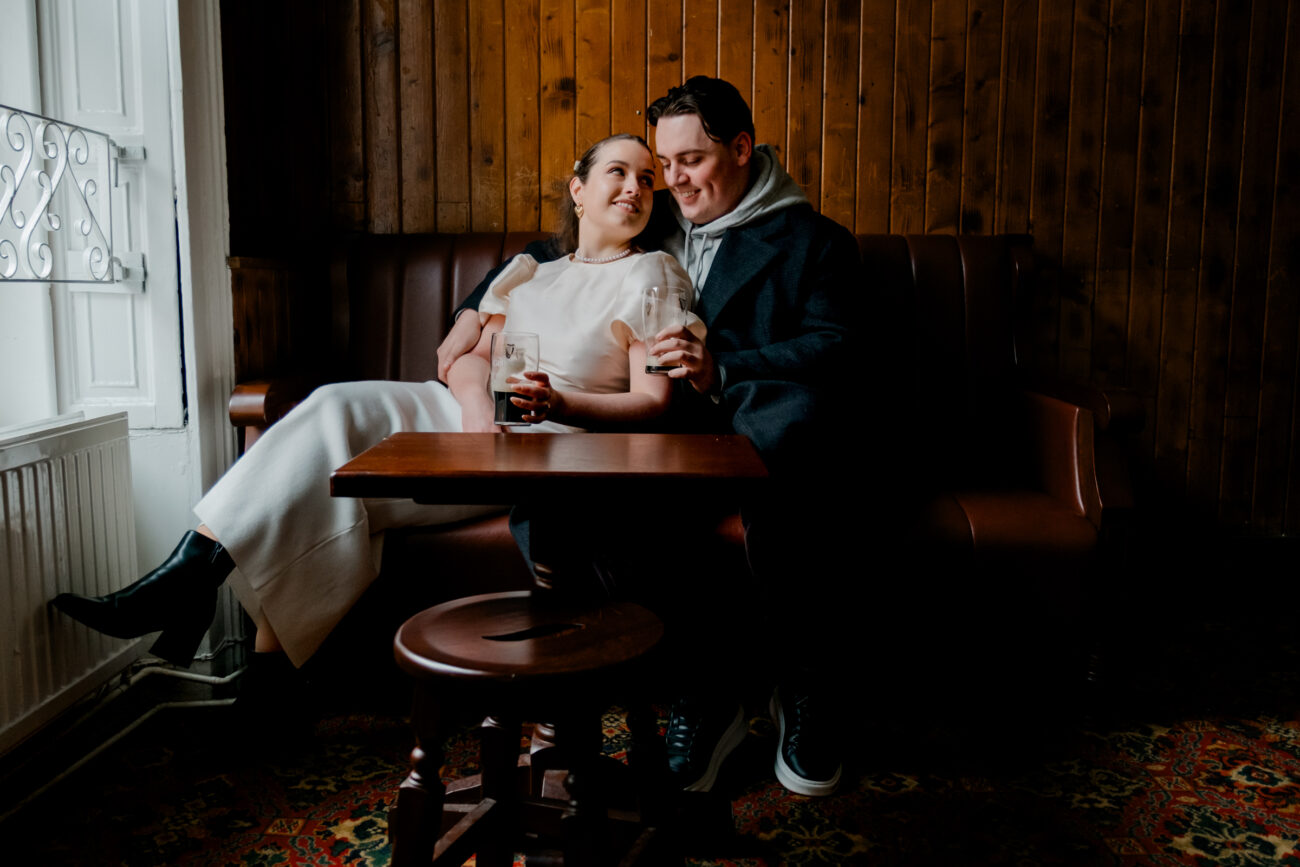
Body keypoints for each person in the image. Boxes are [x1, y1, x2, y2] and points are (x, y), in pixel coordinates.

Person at [51, 133, 702, 673]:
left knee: (318, 483)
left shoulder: (652, 275)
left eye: (649, 179)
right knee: (334, 409)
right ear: (578, 187)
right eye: (618, 171)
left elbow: (653, 402)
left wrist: (559, 399)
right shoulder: (534, 271)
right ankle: (198, 586)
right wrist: (476, 414)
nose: (635, 188)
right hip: (473, 417)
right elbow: (472, 357)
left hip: (553, 439)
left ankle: (207, 616)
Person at [437, 78, 861, 797]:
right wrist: (478, 314)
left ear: (742, 149)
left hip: (753, 427)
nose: (672, 181)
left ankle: (804, 684)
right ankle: (704, 694)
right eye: (664, 164)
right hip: (643, 431)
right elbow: (558, 258)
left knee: (795, 449)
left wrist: (723, 367)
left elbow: (837, 346)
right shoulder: (654, 214)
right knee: (578, 499)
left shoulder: (813, 241)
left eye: (690, 160)